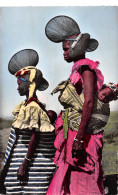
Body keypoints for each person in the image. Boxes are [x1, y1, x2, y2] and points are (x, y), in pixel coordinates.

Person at [45, 15, 106, 194]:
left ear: (75, 48)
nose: (63, 53)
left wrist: (79, 139)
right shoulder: (78, 68)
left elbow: (88, 102)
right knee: (71, 180)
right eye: (63, 50)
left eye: (66, 49)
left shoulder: (86, 69)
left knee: (82, 179)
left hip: (82, 135)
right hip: (73, 131)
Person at [2, 49, 56, 195]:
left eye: (20, 84)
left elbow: (35, 135)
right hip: (23, 163)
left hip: (29, 166)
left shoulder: (32, 107)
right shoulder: (27, 106)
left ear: (28, 83)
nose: (18, 87)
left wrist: (25, 163)